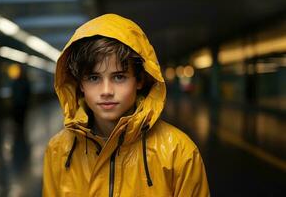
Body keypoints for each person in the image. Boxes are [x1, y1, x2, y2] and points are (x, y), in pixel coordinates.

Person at [42, 14, 209, 196]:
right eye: (94, 78)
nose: (106, 91)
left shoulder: (179, 153)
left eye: (119, 77)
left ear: (139, 80)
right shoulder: (58, 151)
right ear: (80, 84)